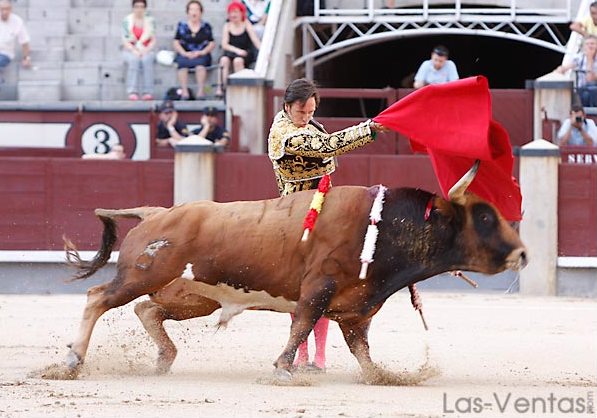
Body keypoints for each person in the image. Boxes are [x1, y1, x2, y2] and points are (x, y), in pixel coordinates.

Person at [267, 78, 387, 372]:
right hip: (293, 216)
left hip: (321, 213)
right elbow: (328, 146)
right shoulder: (282, 134)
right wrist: (368, 129)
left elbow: (325, 143)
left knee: (323, 288)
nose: (306, 118)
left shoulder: (312, 126)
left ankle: (318, 357)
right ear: (287, 107)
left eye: (310, 112)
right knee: (301, 290)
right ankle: (301, 355)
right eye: (301, 112)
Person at [216, 1, 261, 97]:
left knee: (238, 61)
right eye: (231, 12)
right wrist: (236, 50)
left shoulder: (246, 24)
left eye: (236, 12)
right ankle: (222, 87)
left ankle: (238, 88)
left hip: (245, 52)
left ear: (241, 13)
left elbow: (255, 40)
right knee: (223, 60)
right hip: (232, 51)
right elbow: (225, 44)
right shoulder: (227, 25)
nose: (233, 15)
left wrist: (262, 51)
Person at [173, 0, 215, 99]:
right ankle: (184, 92)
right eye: (191, 9)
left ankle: (201, 92)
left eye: (196, 9)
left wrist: (202, 52)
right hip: (185, 53)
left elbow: (211, 42)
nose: (194, 12)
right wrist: (184, 53)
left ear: (201, 12)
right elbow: (176, 41)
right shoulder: (182, 25)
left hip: (201, 54)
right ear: (188, 12)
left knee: (200, 66)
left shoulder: (206, 26)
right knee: (182, 65)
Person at [121, 0, 156, 101]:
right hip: (130, 50)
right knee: (134, 60)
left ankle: (148, 92)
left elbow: (153, 40)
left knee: (147, 60)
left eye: (141, 7)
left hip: (146, 49)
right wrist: (134, 50)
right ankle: (132, 92)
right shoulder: (127, 21)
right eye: (137, 7)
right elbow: (125, 40)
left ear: (145, 8)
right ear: (133, 8)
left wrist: (145, 50)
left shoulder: (150, 21)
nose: (139, 9)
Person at [556, 35, 597, 107]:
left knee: (588, 91)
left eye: (592, 44)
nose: (590, 46)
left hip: (594, 90)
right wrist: (560, 70)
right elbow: (565, 67)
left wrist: (589, 59)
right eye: (587, 44)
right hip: (581, 89)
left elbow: (590, 79)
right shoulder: (580, 57)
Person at [0, 0, 31, 75]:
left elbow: (24, 42)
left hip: (5, 53)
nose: (4, 12)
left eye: (7, 9)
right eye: (2, 9)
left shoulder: (17, 21)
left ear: (11, 9)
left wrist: (26, 58)